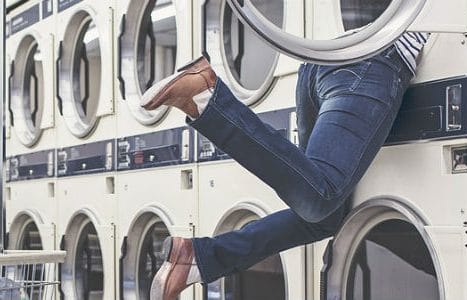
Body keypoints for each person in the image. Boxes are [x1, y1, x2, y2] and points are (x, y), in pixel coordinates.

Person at [142, 32, 430, 300]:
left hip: (323, 65)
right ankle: (206, 100)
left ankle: (199, 258)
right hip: (374, 64)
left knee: (321, 216)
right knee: (319, 198)